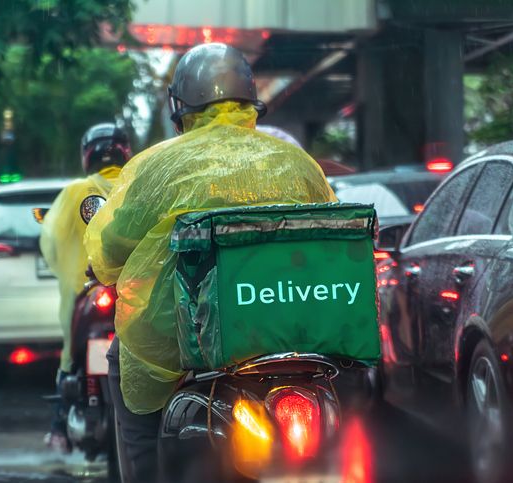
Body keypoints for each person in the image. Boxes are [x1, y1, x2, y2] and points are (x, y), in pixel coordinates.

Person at [84, 43, 335, 481]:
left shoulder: (157, 168)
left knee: (125, 365)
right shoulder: (299, 163)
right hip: (288, 333)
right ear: (250, 101)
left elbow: (108, 253)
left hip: (181, 342)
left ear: (181, 108)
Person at [39, 122, 132, 452]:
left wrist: (69, 272)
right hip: (136, 294)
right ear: (125, 151)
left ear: (87, 156)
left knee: (69, 360)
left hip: (87, 295)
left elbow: (49, 241)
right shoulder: (138, 182)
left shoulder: (75, 192)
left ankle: (59, 424)